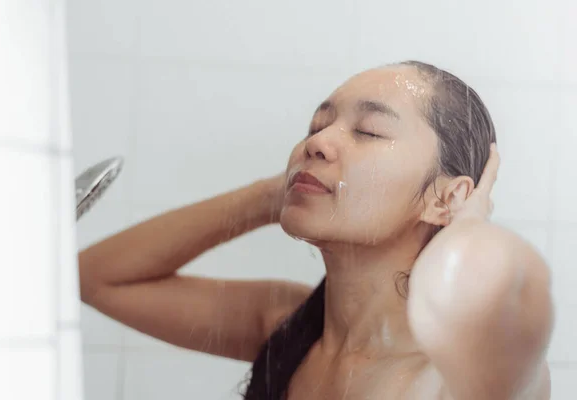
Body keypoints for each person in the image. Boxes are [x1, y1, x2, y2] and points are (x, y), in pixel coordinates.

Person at [78, 61, 553, 399]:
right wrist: (274, 193)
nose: (317, 143)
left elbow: (512, 313)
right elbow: (91, 276)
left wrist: (467, 228)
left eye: (367, 131)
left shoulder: (468, 373)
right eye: (316, 127)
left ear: (447, 198)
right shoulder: (284, 326)